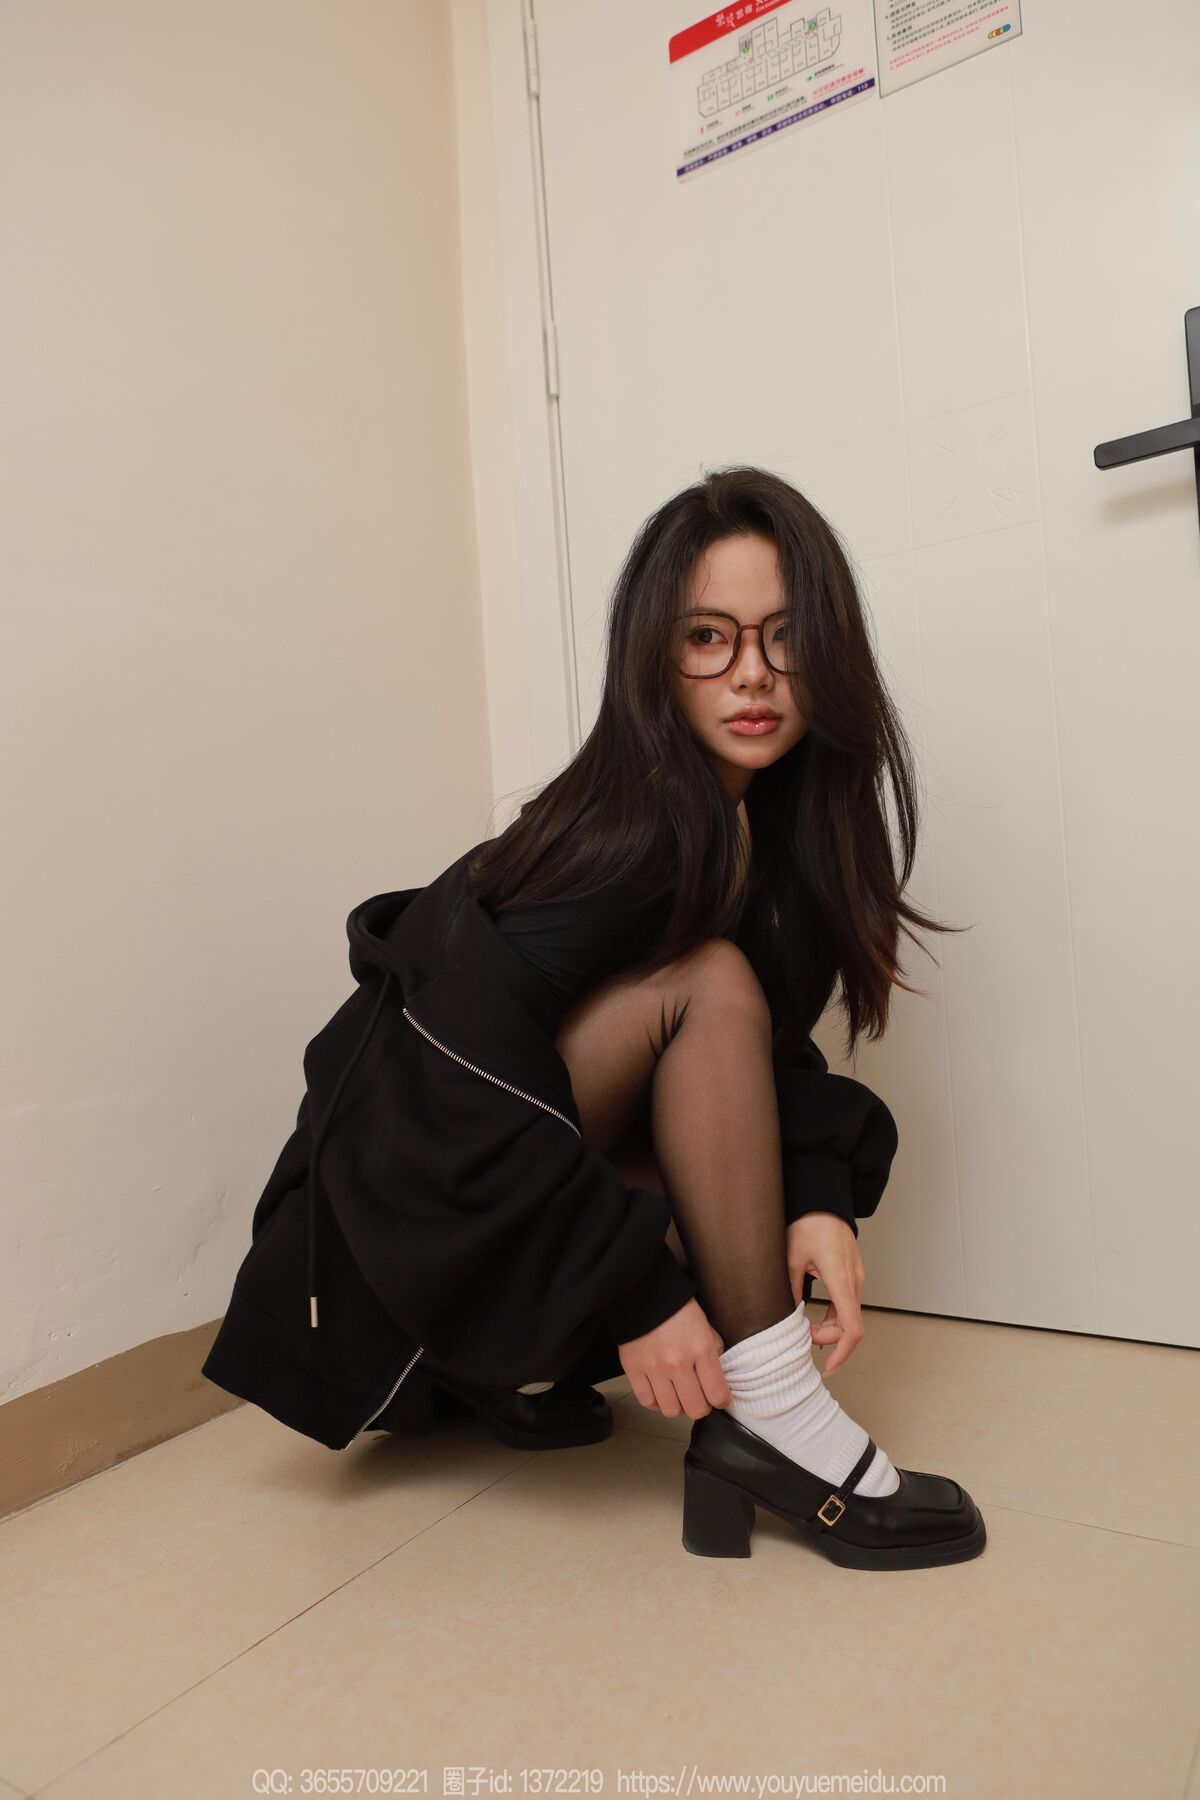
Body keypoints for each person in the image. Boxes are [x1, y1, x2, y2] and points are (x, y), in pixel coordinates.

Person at [202, 465, 985, 1570]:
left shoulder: (762, 833)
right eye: (707, 637)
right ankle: (773, 1414)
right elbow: (441, 1087)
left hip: (467, 1229)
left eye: (786, 637)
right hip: (384, 1266)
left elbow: (754, 1065)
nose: (752, 674)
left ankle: (571, 1386)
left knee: (727, 1029)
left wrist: (815, 1193)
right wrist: (635, 1289)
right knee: (708, 982)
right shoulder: (633, 831)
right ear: (653, 659)